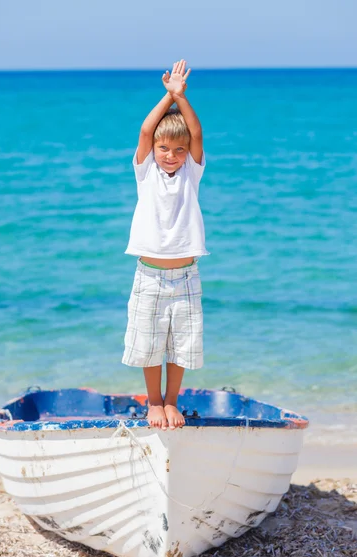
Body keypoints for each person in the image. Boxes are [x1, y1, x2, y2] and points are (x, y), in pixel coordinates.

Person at [122, 59, 209, 431]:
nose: (170, 155)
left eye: (177, 149)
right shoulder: (145, 172)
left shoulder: (192, 172)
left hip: (186, 277)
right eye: (163, 148)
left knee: (183, 344)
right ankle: (154, 402)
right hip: (150, 276)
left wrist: (182, 99)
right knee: (148, 341)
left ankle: (172, 400)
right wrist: (167, 96)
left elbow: (196, 132)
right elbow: (145, 130)